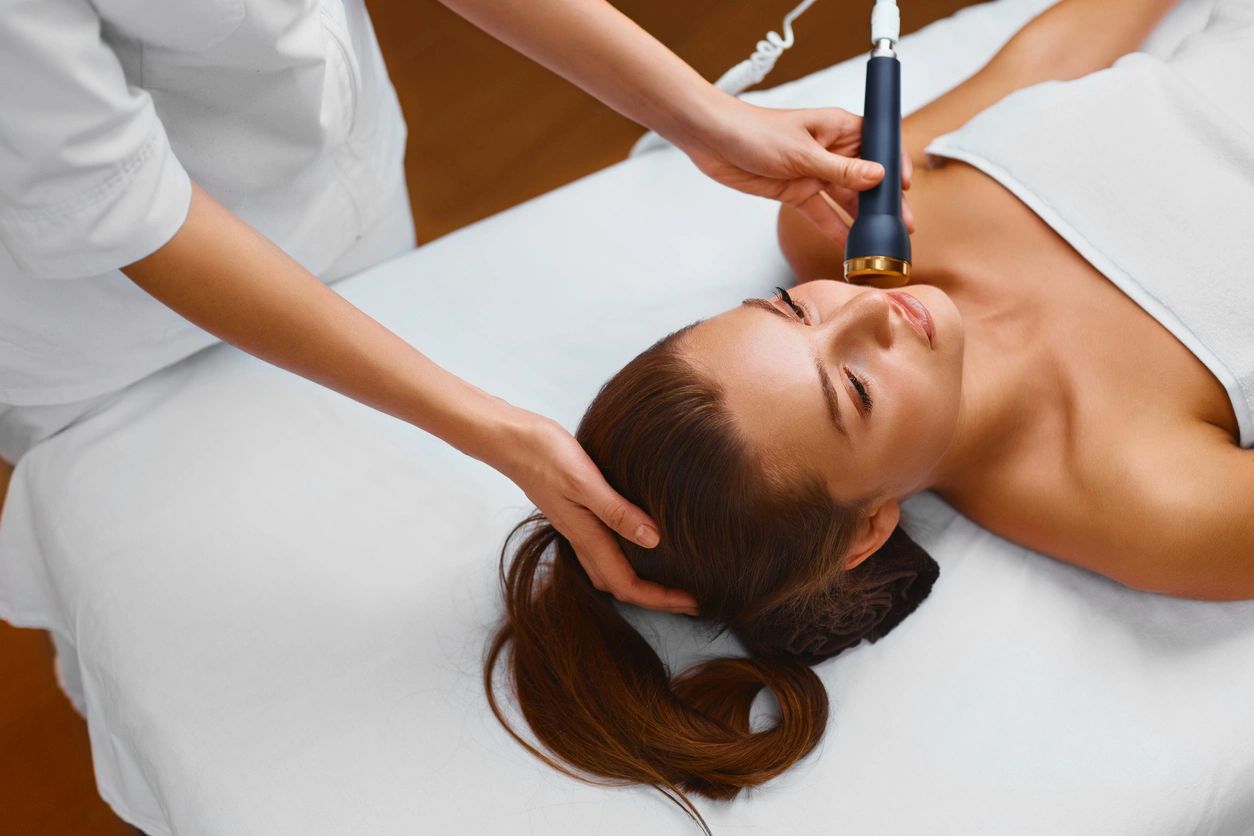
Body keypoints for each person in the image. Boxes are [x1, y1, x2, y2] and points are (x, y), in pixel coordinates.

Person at [485, 0, 1254, 826]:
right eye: (853, 389)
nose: (869, 310)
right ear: (865, 529)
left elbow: (1044, 59)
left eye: (790, 311)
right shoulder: (1153, 506)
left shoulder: (832, 231)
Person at [0, 0, 915, 616]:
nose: (874, 309)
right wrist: (483, 426)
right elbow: (111, 203)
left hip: (324, 181)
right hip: (98, 317)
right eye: (791, 310)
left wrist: (700, 112)